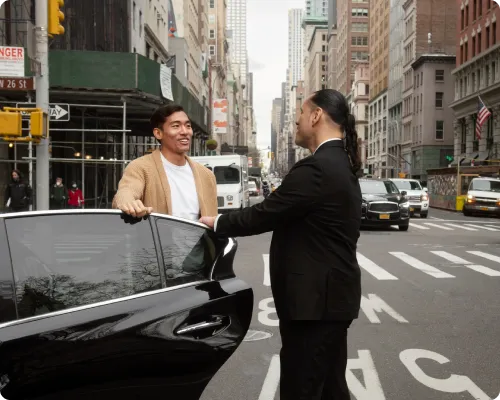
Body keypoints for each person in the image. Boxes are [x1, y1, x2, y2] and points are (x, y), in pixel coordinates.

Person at [200, 89, 362, 400]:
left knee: (301, 388)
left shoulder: (317, 168)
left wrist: (216, 222)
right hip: (329, 301)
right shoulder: (339, 163)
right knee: (329, 387)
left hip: (314, 305)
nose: (298, 121)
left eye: (301, 113)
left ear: (316, 116)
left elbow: (265, 214)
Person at [112, 104, 217, 219]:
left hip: (198, 237)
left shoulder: (206, 175)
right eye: (176, 126)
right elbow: (126, 191)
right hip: (158, 237)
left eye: (188, 126)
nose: (185, 132)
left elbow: (212, 218)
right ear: (158, 133)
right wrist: (127, 202)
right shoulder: (140, 167)